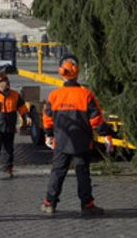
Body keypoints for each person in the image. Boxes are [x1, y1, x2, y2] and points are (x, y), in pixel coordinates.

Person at [41, 55, 108, 216]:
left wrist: (49, 135)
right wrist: (106, 134)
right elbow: (96, 120)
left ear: (61, 74)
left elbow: (47, 119)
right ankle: (87, 205)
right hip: (82, 142)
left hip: (62, 142)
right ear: (77, 74)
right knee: (83, 174)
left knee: (57, 172)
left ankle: (49, 203)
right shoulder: (86, 95)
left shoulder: (54, 96)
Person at [0, 69, 30, 179]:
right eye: (4, 82)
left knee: (9, 149)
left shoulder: (15, 95)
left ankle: (8, 169)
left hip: (9, 127)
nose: (7, 83)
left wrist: (26, 116)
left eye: (7, 81)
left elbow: (22, 107)